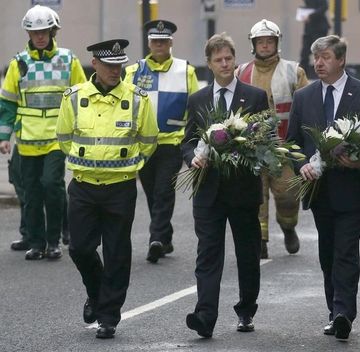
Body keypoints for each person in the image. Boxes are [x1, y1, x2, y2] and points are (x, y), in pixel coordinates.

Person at [56, 39, 159, 339]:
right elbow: (64, 137)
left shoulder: (138, 98)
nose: (116, 71)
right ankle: (97, 293)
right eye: (110, 65)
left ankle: (109, 316)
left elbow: (149, 141)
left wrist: (131, 164)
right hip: (84, 187)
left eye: (119, 65)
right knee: (79, 248)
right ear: (95, 64)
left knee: (116, 253)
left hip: (120, 188)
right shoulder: (74, 97)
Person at [287, 35, 360, 340]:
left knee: (345, 251)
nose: (318, 63)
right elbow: (291, 142)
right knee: (328, 252)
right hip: (319, 190)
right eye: (316, 57)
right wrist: (300, 164)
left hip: (354, 189)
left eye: (326, 57)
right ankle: (334, 310)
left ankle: (343, 313)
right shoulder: (303, 97)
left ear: (341, 60)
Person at [182, 32, 269, 338]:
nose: (224, 64)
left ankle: (246, 309)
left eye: (228, 58)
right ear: (209, 63)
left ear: (235, 59)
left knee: (247, 255)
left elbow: (263, 138)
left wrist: (245, 147)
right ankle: (205, 317)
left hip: (243, 191)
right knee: (207, 255)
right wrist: (193, 157)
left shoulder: (255, 96)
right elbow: (188, 141)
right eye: (218, 59)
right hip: (208, 192)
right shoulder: (198, 100)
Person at [0, 5, 86, 259]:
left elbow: (82, 96)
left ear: (52, 31)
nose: (40, 36)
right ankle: (36, 244)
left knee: (51, 184)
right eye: (35, 32)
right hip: (27, 139)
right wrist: (4, 137)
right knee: (32, 192)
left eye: (44, 31)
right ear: (29, 33)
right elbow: (8, 103)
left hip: (56, 139)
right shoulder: (18, 64)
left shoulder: (69, 60)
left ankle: (54, 241)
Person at [125, 19, 199, 264]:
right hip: (143, 145)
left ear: (170, 43)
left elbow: (195, 107)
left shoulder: (185, 70)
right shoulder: (133, 71)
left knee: (163, 191)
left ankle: (155, 239)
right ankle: (165, 237)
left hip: (172, 143)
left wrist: (193, 141)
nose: (159, 45)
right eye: (155, 41)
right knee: (151, 192)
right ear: (149, 43)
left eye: (163, 41)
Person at [236, 19, 309, 259]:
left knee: (288, 195)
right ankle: (261, 242)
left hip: (284, 149)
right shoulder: (241, 72)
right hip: (252, 149)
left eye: (269, 41)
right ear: (253, 44)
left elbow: (307, 107)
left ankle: (288, 227)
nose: (265, 46)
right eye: (261, 42)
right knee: (257, 199)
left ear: (277, 43)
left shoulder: (294, 71)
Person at [299, 0, 330, 74]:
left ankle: (322, 71)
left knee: (320, 50)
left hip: (319, 27)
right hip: (310, 27)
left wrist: (310, 15)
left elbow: (324, 7)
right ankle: (302, 74)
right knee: (305, 51)